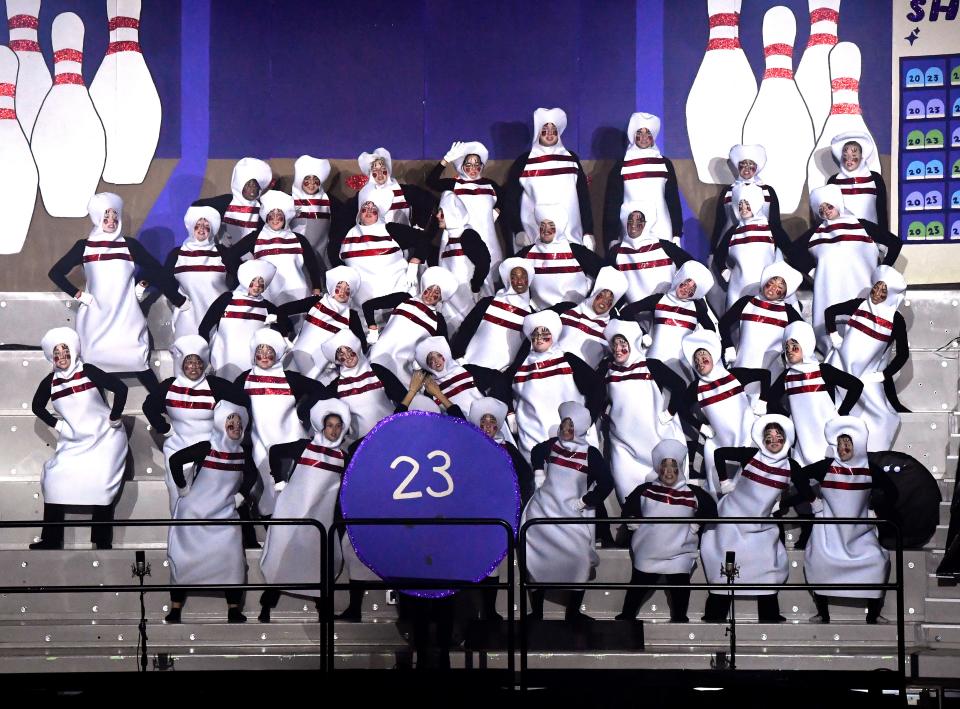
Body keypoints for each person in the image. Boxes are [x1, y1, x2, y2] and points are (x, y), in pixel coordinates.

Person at [48, 193, 185, 396]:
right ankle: (100, 414)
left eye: (114, 215)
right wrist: (79, 295)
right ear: (96, 217)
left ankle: (162, 407)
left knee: (137, 359)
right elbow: (56, 273)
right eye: (106, 215)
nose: (111, 220)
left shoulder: (129, 245)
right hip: (95, 319)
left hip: (126, 316)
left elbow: (156, 269)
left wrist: (144, 287)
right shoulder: (84, 247)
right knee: (94, 366)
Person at [701, 416, 809, 623]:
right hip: (731, 519)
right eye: (769, 438)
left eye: (778, 437)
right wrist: (724, 482)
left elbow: (805, 491)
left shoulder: (791, 466)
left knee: (767, 564)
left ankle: (769, 615)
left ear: (786, 438)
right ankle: (715, 614)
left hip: (760, 525)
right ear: (762, 440)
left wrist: (782, 505)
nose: (774, 441)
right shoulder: (751, 455)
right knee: (727, 567)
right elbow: (720, 453)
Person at [30, 327, 128, 550]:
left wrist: (114, 417)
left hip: (105, 438)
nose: (62, 357)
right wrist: (58, 424)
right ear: (51, 357)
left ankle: (102, 540)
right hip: (74, 441)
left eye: (66, 352)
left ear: (73, 352)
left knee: (101, 485)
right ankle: (51, 539)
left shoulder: (88, 370)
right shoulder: (51, 381)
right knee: (54, 480)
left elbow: (120, 389)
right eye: (57, 354)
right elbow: (37, 406)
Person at [258, 399, 352, 623]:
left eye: (338, 426)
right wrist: (280, 482)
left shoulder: (343, 458)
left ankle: (324, 612)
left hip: (322, 517)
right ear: (322, 426)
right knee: (281, 557)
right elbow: (275, 451)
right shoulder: (304, 446)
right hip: (294, 511)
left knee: (319, 563)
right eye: (330, 425)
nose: (334, 430)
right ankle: (266, 608)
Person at [165, 401, 258, 624]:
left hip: (224, 516)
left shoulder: (243, 452)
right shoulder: (207, 447)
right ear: (220, 423)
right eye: (230, 421)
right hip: (194, 516)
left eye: (238, 422)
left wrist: (240, 496)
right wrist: (182, 488)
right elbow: (175, 460)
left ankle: (233, 609)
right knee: (184, 561)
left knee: (232, 560)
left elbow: (252, 476)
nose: (235, 425)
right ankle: (176, 608)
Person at [523, 402, 613, 621]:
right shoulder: (552, 445)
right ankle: (537, 612)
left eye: (571, 426)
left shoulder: (590, 453)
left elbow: (606, 482)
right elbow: (536, 452)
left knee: (580, 558)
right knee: (537, 559)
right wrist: (538, 473)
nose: (566, 430)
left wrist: (584, 501)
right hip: (543, 511)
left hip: (571, 515)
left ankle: (573, 612)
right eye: (564, 425)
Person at [801, 417, 894, 624]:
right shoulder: (827, 467)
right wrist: (814, 502)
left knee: (877, 562)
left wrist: (876, 512)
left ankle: (873, 614)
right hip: (828, 532)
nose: (844, 447)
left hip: (861, 533)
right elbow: (798, 476)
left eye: (848, 442)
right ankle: (822, 613)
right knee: (818, 561)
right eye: (841, 442)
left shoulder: (870, 469)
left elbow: (892, 492)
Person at [791, 184, 901, 353]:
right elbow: (793, 252)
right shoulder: (816, 233)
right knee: (832, 341)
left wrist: (883, 273)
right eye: (821, 209)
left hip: (861, 288)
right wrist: (813, 272)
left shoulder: (861, 225)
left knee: (864, 336)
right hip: (829, 293)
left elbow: (895, 243)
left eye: (829, 206)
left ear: (838, 203)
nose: (826, 211)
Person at [618, 439, 717, 622]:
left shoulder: (693, 492)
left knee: (680, 586)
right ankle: (627, 616)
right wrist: (632, 521)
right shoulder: (646, 490)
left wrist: (697, 525)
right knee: (639, 584)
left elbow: (712, 509)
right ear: (659, 469)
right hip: (649, 551)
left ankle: (680, 618)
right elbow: (629, 507)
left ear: (679, 469)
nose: (669, 472)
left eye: (673, 467)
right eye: (665, 467)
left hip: (679, 552)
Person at [142, 335, 243, 515]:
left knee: (208, 497)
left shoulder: (215, 385)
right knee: (177, 494)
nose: (194, 367)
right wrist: (164, 427)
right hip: (177, 445)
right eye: (189, 362)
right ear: (181, 364)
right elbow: (148, 406)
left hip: (210, 448)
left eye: (198, 362)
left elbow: (242, 401)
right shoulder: (169, 386)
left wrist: (228, 433)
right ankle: (179, 535)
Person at [235, 329, 325, 518]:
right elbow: (232, 407)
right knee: (268, 490)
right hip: (260, 444)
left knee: (296, 488)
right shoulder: (244, 379)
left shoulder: (290, 378)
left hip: (292, 443)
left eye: (270, 351)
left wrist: (304, 412)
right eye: (261, 350)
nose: (265, 356)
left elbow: (319, 389)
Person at [600, 319, 687, 503]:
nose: (617, 349)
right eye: (614, 344)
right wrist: (605, 411)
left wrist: (669, 413)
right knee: (627, 493)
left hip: (656, 439)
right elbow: (597, 394)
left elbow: (680, 386)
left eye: (622, 343)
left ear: (632, 342)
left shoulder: (650, 365)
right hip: (623, 445)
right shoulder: (608, 370)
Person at [673, 330, 768, 496]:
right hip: (719, 445)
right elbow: (680, 407)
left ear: (713, 356)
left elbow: (765, 375)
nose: (700, 362)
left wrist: (763, 401)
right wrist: (700, 426)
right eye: (695, 361)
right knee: (718, 489)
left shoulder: (734, 375)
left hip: (748, 439)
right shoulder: (696, 388)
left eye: (703, 357)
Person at [825, 265, 910, 451]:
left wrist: (884, 375)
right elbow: (829, 312)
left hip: (866, 376)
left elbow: (903, 354)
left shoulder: (896, 319)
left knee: (883, 418)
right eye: (876, 287)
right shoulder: (858, 305)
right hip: (839, 367)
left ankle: (872, 457)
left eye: (883, 290)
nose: (877, 293)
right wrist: (834, 336)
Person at [329, 188, 431, 335]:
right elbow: (333, 255)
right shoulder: (346, 235)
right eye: (365, 208)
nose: (369, 211)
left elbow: (422, 239)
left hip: (395, 297)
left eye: (373, 209)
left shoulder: (390, 229)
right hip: (361, 304)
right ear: (359, 212)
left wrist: (415, 261)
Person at [507, 311, 601, 464]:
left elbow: (597, 388)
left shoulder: (568, 360)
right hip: (533, 440)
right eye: (535, 333)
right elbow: (502, 384)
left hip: (573, 438)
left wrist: (587, 420)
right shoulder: (521, 366)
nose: (539, 337)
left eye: (545, 333)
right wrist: (511, 414)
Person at [768, 321, 863, 466]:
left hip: (827, 433)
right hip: (802, 436)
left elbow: (856, 385)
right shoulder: (787, 376)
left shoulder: (823, 370)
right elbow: (772, 401)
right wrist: (789, 419)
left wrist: (841, 414)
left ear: (806, 345)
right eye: (786, 348)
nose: (790, 351)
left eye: (794, 347)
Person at [505, 107, 594, 249]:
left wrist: (589, 231)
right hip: (533, 234)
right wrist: (518, 230)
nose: (550, 134)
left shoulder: (571, 159)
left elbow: (583, 197)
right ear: (538, 132)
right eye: (545, 130)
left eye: (554, 130)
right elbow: (511, 200)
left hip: (570, 234)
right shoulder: (524, 162)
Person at [427, 141, 505, 294]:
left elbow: (505, 199)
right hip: (460, 238)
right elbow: (431, 182)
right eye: (468, 164)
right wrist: (446, 160)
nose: (473, 169)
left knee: (487, 275)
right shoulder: (454, 184)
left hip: (487, 236)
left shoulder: (490, 185)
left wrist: (497, 211)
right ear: (461, 166)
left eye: (477, 164)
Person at [621, 260, 716, 378]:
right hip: (654, 359)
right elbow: (625, 312)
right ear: (680, 279)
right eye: (685, 283)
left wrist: (696, 349)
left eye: (692, 288)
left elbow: (711, 331)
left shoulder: (697, 308)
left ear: (696, 293)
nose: (686, 289)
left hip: (682, 364)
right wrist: (642, 333)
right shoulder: (658, 299)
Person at [226, 190, 323, 306]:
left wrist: (317, 288)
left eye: (279, 216)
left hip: (298, 294)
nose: (275, 219)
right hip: (267, 295)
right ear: (266, 218)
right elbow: (230, 256)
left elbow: (312, 265)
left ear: (285, 218)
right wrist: (246, 277)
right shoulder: (256, 237)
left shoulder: (299, 239)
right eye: (271, 216)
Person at [367, 266, 458, 386]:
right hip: (377, 355)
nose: (430, 295)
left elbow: (443, 351)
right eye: (429, 289)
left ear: (441, 298)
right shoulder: (403, 298)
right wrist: (372, 328)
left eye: (436, 293)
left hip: (402, 370)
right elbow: (368, 305)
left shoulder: (438, 320)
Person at [603, 112, 682, 249]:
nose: (644, 137)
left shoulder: (664, 163)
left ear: (653, 137)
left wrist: (676, 232)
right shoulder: (622, 166)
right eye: (640, 132)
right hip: (631, 227)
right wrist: (612, 237)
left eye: (648, 133)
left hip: (662, 226)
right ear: (634, 135)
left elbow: (673, 199)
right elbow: (613, 203)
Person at [198, 260, 287, 381]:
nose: (256, 286)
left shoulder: (267, 306)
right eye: (253, 281)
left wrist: (275, 323)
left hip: (252, 363)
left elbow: (286, 327)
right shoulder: (227, 299)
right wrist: (204, 357)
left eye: (261, 282)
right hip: (224, 359)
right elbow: (204, 328)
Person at [713, 182, 794, 312]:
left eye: (747, 205)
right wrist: (726, 273)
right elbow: (718, 256)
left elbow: (791, 251)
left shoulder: (771, 228)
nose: (743, 209)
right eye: (740, 205)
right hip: (737, 288)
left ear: (756, 204)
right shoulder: (733, 231)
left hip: (765, 288)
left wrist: (807, 269)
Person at [278, 265, 367, 382]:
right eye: (339, 287)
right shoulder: (316, 302)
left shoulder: (352, 316)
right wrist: (285, 335)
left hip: (325, 368)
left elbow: (360, 345)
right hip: (297, 356)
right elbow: (282, 310)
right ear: (331, 286)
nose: (342, 292)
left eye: (347, 290)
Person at [319, 329, 407, 444]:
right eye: (342, 355)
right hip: (365, 445)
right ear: (337, 360)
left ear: (356, 348)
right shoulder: (335, 387)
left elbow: (402, 397)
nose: (348, 357)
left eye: (350, 351)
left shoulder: (377, 370)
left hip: (394, 432)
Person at [719, 260, 803, 377]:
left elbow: (803, 334)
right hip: (740, 363)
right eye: (771, 282)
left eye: (779, 287)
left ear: (785, 293)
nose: (773, 288)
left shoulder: (788, 312)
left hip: (768, 371)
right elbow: (723, 323)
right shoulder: (746, 302)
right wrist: (728, 346)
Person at [452, 258, 536, 375]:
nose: (519, 281)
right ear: (508, 279)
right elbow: (467, 328)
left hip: (498, 376)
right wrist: (457, 355)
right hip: (468, 365)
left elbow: (525, 352)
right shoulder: (488, 302)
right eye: (514, 277)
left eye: (523, 277)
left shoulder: (532, 317)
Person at [516, 205, 602, 310]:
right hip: (538, 315)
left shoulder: (577, 251)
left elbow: (606, 273)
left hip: (573, 316)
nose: (545, 230)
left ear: (559, 226)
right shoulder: (527, 253)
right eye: (542, 225)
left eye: (551, 225)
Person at [164, 206, 230, 340]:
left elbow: (241, 276)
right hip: (189, 315)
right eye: (198, 225)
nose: (202, 229)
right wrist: (179, 301)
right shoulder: (177, 254)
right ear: (191, 227)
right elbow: (165, 280)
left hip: (219, 315)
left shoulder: (221, 252)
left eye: (206, 226)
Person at [609, 202, 693, 304]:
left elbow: (692, 266)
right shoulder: (616, 252)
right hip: (632, 313)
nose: (633, 225)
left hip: (666, 310)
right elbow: (609, 282)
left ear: (645, 224)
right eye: (630, 221)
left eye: (638, 221)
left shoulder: (664, 246)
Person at [434, 190, 492, 336]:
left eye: (442, 213)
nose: (437, 216)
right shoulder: (449, 239)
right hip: (451, 303)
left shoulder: (467, 235)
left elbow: (484, 262)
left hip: (467, 301)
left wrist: (476, 286)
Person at [556, 266, 629, 369]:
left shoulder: (610, 330)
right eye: (601, 295)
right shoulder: (567, 309)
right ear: (595, 293)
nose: (604, 301)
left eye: (609, 300)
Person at [711, 144, 782, 250]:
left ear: (757, 167)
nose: (746, 169)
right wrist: (712, 250)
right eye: (743, 165)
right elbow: (720, 222)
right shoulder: (728, 191)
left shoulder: (767, 191)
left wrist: (778, 247)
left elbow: (775, 222)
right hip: (731, 244)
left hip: (764, 243)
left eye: (751, 165)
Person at [344, 148, 435, 230]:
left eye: (383, 169)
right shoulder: (363, 194)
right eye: (375, 170)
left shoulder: (403, 191)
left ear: (388, 170)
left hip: (398, 244)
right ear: (371, 174)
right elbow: (348, 218)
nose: (379, 173)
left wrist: (417, 229)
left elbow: (428, 200)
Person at [192, 157, 272, 247]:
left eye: (256, 185)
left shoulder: (263, 209)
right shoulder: (226, 202)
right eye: (249, 185)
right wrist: (217, 228)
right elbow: (196, 207)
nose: (253, 189)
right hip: (223, 252)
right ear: (240, 184)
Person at [827, 132, 888, 231]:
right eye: (846, 155)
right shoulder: (833, 181)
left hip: (871, 237)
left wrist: (883, 239)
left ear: (861, 156)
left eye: (853, 155)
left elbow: (881, 212)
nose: (849, 160)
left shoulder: (875, 178)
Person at [290, 155, 338, 263]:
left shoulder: (332, 202)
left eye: (315, 179)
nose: (311, 184)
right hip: (295, 254)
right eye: (307, 179)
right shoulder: (288, 200)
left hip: (321, 255)